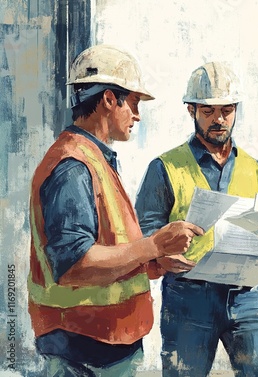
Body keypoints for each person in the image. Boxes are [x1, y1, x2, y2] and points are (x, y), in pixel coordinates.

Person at [28, 44, 203, 377]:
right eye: (134, 103)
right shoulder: (73, 168)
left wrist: (155, 264)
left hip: (102, 346)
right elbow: (74, 267)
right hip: (83, 350)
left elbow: (111, 251)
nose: (137, 115)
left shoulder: (92, 161)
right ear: (109, 99)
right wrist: (154, 246)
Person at [135, 61, 258, 377]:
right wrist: (161, 252)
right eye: (208, 111)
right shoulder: (164, 168)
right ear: (191, 110)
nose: (219, 119)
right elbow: (144, 230)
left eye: (226, 110)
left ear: (236, 109)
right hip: (188, 300)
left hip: (246, 299)